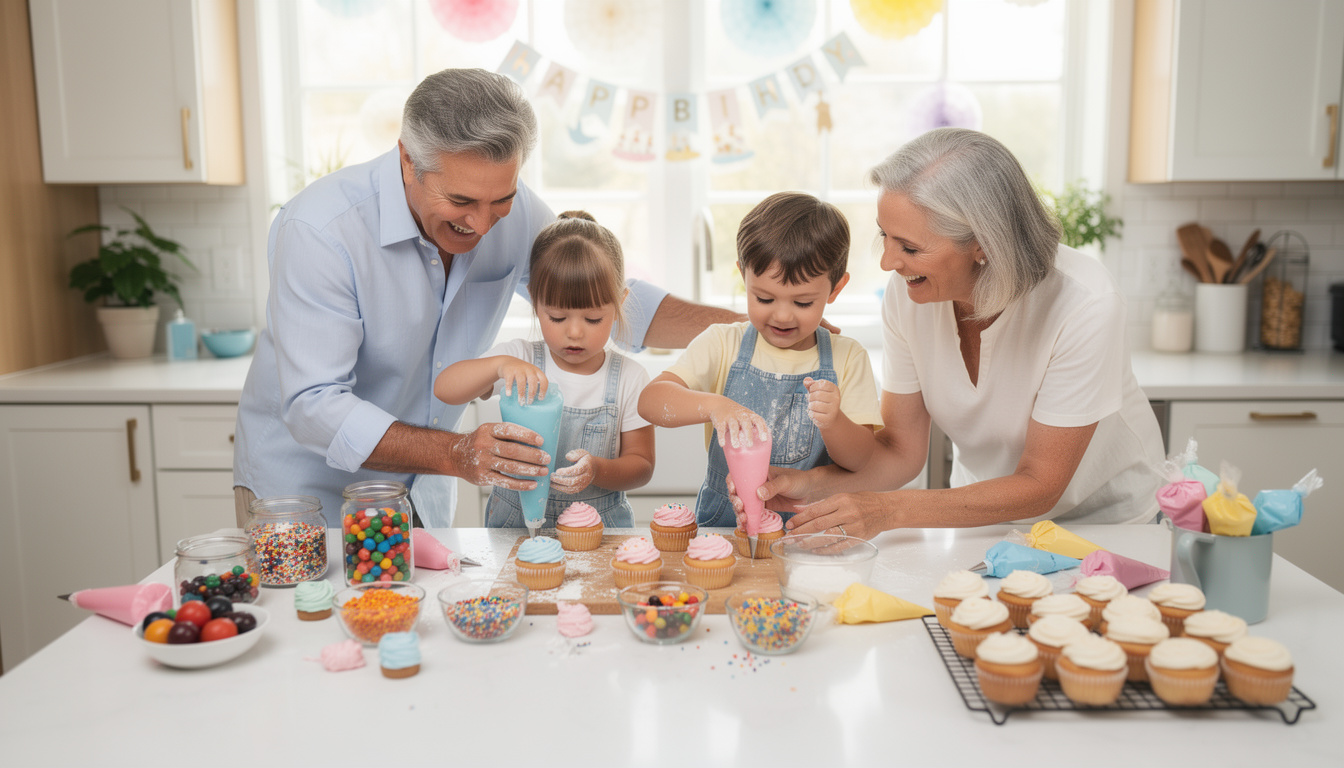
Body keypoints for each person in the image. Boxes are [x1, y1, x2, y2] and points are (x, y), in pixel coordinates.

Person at [232, 68, 736, 528]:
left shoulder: (510, 214)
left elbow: (597, 292)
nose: (479, 224)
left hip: (422, 494)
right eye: (460, 202)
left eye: (502, 200)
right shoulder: (321, 230)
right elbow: (313, 405)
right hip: (306, 499)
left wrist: (754, 325)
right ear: (408, 160)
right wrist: (457, 454)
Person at [752, 128, 1166, 539]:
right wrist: (806, 485)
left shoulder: (1084, 303)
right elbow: (899, 453)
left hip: (1106, 524)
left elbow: (1040, 484)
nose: (888, 263)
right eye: (885, 236)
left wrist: (889, 510)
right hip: (987, 518)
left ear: (984, 243)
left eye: (910, 248)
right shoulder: (910, 292)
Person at [638, 192, 883, 527]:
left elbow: (861, 460)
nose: (782, 315)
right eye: (764, 297)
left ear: (836, 289)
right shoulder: (722, 342)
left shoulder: (848, 357)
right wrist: (715, 406)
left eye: (803, 303)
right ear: (744, 276)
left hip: (809, 526)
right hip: (725, 524)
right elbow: (651, 402)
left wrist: (834, 421)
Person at [434, 211, 654, 527]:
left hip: (598, 528)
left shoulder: (630, 379)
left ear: (620, 302)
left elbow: (642, 465)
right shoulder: (518, 358)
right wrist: (498, 366)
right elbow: (444, 388)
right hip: (515, 525)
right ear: (536, 302)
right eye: (557, 317)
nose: (575, 332)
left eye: (593, 319)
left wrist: (597, 470)